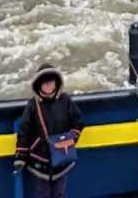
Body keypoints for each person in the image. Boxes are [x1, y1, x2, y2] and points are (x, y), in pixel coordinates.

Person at [13, 66, 85, 198]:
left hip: (62, 156)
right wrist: (21, 156)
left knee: (60, 192)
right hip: (40, 159)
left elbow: (78, 120)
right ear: (39, 85)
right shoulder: (33, 105)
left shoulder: (65, 100)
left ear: (56, 82)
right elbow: (25, 130)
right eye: (45, 83)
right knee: (43, 193)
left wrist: (72, 137)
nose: (49, 86)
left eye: (51, 82)